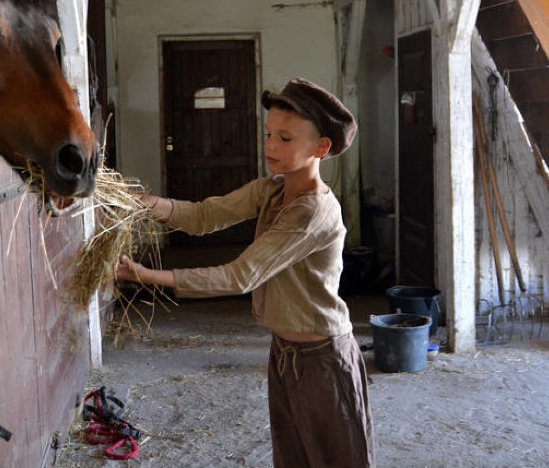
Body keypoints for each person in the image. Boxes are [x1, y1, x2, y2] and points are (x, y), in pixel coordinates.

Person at [115, 77, 375, 467]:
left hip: (323, 359)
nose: (270, 146)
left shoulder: (312, 211)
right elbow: (205, 215)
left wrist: (148, 277)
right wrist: (142, 204)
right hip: (285, 354)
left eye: (285, 139)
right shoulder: (271, 190)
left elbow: (241, 276)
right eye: (269, 134)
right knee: (292, 459)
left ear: (321, 147)